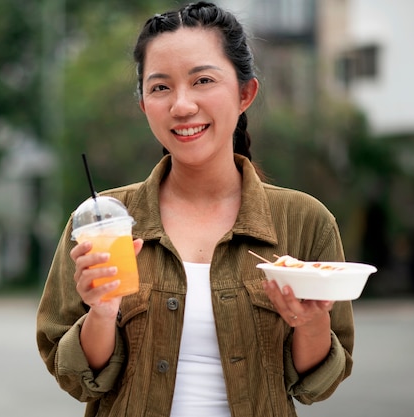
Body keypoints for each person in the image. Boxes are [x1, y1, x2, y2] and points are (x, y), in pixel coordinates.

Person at [36, 2, 354, 416]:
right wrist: (101, 312)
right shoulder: (101, 222)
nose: (181, 106)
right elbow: (78, 379)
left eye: (202, 80)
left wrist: (311, 323)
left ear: (245, 94)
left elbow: (317, 384)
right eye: (160, 87)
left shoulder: (304, 221)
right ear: (144, 105)